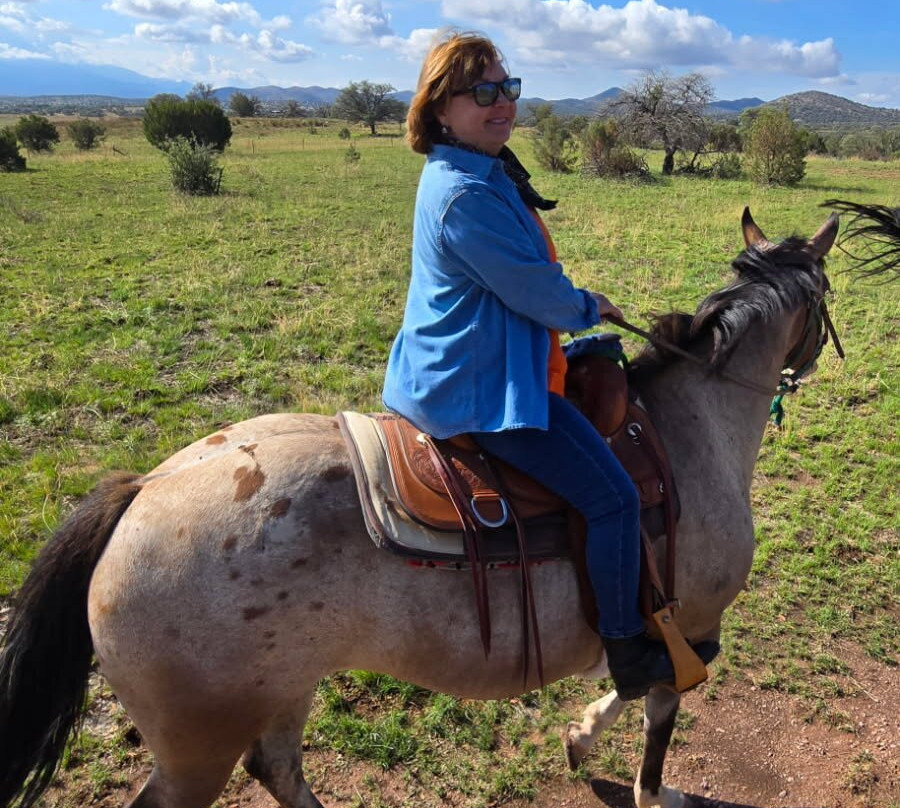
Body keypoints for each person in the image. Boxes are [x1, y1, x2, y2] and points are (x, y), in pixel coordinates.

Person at [383, 30, 680, 701]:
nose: (502, 104)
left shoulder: (477, 172)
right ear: (439, 109)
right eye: (482, 92)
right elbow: (536, 293)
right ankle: (628, 650)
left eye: (507, 88)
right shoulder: (467, 196)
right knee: (614, 499)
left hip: (477, 352)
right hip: (477, 386)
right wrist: (587, 305)